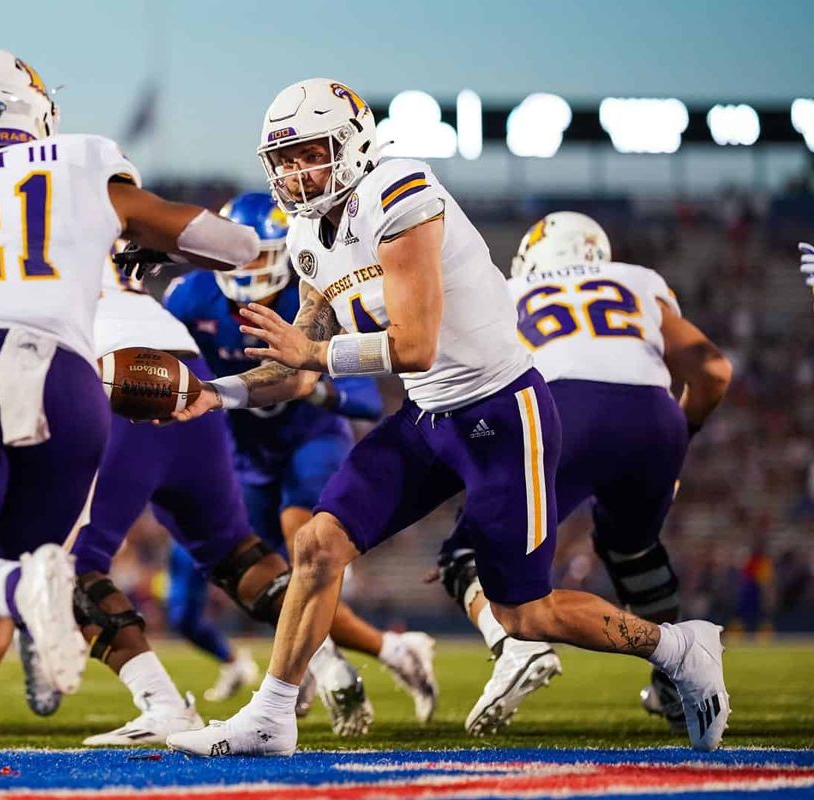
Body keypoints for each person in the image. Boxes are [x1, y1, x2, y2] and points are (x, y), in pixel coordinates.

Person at [158, 78, 729, 757]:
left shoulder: (399, 192)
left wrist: (311, 350)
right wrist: (215, 392)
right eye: (281, 159)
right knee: (317, 544)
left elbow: (413, 343)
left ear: (351, 142)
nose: (293, 172)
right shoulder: (309, 234)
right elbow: (296, 361)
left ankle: (678, 647)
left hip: (501, 410)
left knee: (523, 612)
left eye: (308, 153)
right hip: (431, 413)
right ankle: (270, 717)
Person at [0, 49, 258, 786]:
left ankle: (24, 591)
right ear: (36, 110)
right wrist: (192, 244)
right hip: (72, 382)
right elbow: (226, 244)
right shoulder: (82, 161)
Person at [437, 212, 733, 736]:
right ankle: (676, 685)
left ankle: (515, 648)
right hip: (653, 416)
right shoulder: (637, 279)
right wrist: (676, 439)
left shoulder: (509, 289)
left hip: (557, 410)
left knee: (464, 549)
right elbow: (714, 371)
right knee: (632, 549)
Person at [163, 192, 436, 720]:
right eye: (236, 256)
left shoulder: (313, 294)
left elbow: (364, 398)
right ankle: (390, 650)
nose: (246, 270)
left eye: (260, 256)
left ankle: (327, 671)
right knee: (269, 583)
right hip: (246, 454)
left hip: (312, 438)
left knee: (300, 537)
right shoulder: (191, 297)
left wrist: (306, 386)